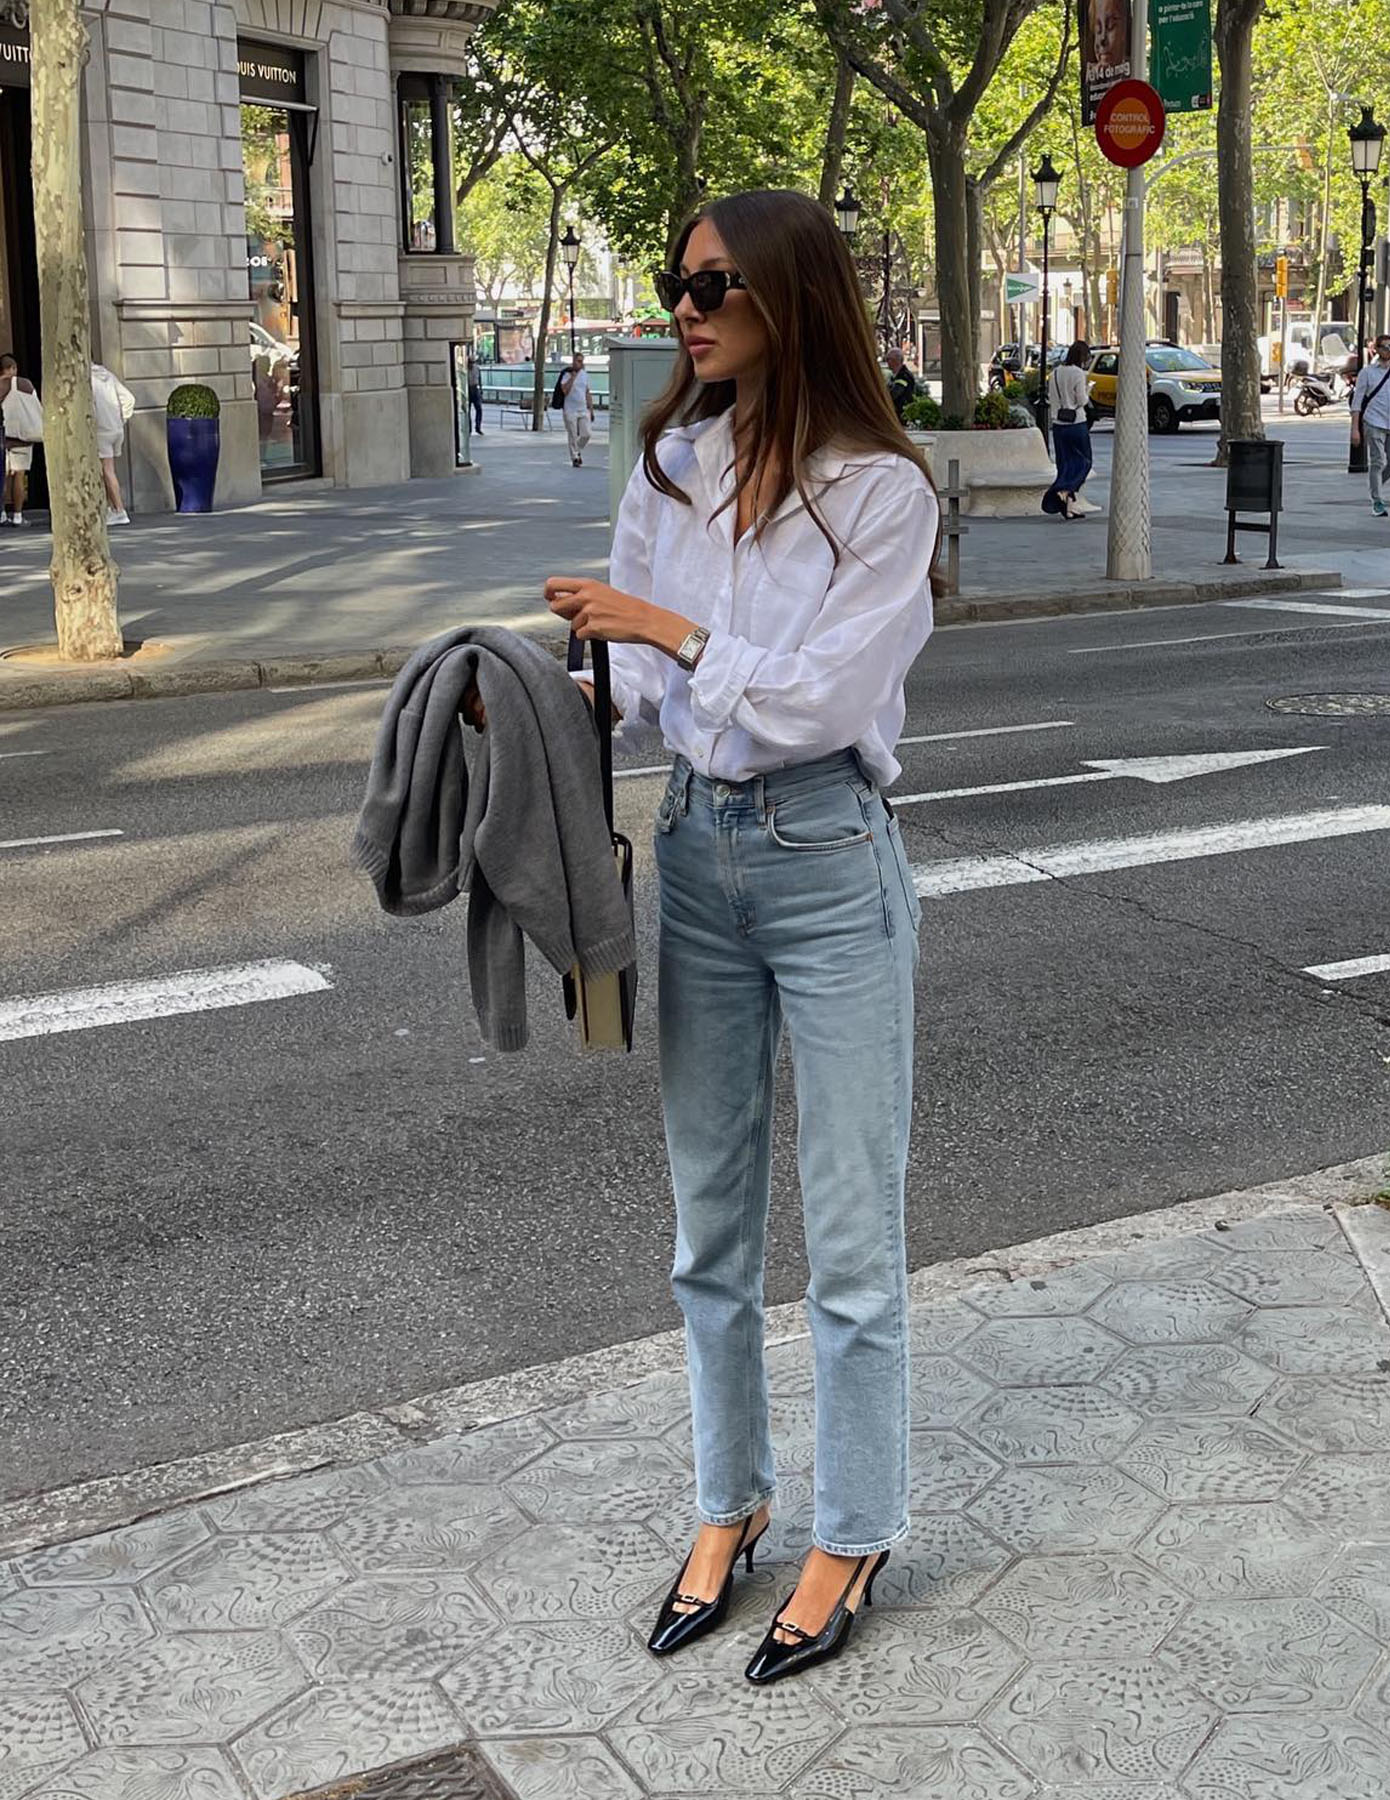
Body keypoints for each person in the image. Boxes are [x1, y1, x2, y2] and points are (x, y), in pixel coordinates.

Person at [526, 189, 937, 1686]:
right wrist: (554, 697)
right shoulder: (676, 466)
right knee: (707, 1226)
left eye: (714, 285)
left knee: (850, 1241)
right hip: (697, 847)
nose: (686, 309)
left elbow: (824, 702)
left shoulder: (885, 491)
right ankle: (729, 1503)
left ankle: (855, 1527)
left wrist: (671, 630)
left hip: (829, 855)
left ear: (790, 297)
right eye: (676, 283)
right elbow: (639, 696)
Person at [1350, 333, 1390, 517]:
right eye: (1384, 346)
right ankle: (1377, 500)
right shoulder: (1367, 373)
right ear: (1377, 350)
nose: (1388, 350)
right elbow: (1357, 403)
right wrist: (1355, 429)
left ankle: (1375, 484)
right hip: (1373, 422)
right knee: (1378, 461)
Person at [1042, 340, 1092, 521]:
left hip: (1058, 425)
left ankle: (1069, 506)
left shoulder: (1054, 373)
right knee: (1084, 462)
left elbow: (1051, 397)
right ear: (1082, 357)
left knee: (1065, 464)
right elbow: (1081, 400)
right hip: (1076, 423)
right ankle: (1062, 490)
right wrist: (1088, 391)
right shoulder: (1078, 374)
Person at [91, 361, 137, 525]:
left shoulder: (87, 379)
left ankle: (119, 510)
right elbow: (129, 399)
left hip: (101, 430)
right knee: (108, 470)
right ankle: (111, 508)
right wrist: (120, 419)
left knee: (107, 471)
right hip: (115, 429)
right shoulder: (107, 375)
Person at [0, 353, 40, 528]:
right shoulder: (24, 384)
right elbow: (36, 408)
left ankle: (1, 513)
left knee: (2, 476)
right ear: (12, 368)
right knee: (19, 475)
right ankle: (17, 515)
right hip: (21, 437)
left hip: (2, 437)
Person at [559, 351, 595, 466]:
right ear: (573, 361)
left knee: (586, 434)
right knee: (573, 434)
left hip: (583, 408)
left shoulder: (584, 374)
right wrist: (572, 378)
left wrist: (591, 409)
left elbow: (587, 391)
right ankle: (575, 457)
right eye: (578, 361)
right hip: (570, 409)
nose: (580, 363)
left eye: (582, 361)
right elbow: (565, 391)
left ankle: (577, 450)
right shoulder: (566, 374)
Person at [882, 346, 920, 421]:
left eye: (888, 359)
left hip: (902, 415)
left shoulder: (903, 376)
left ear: (895, 360)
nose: (887, 362)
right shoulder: (897, 375)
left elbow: (895, 393)